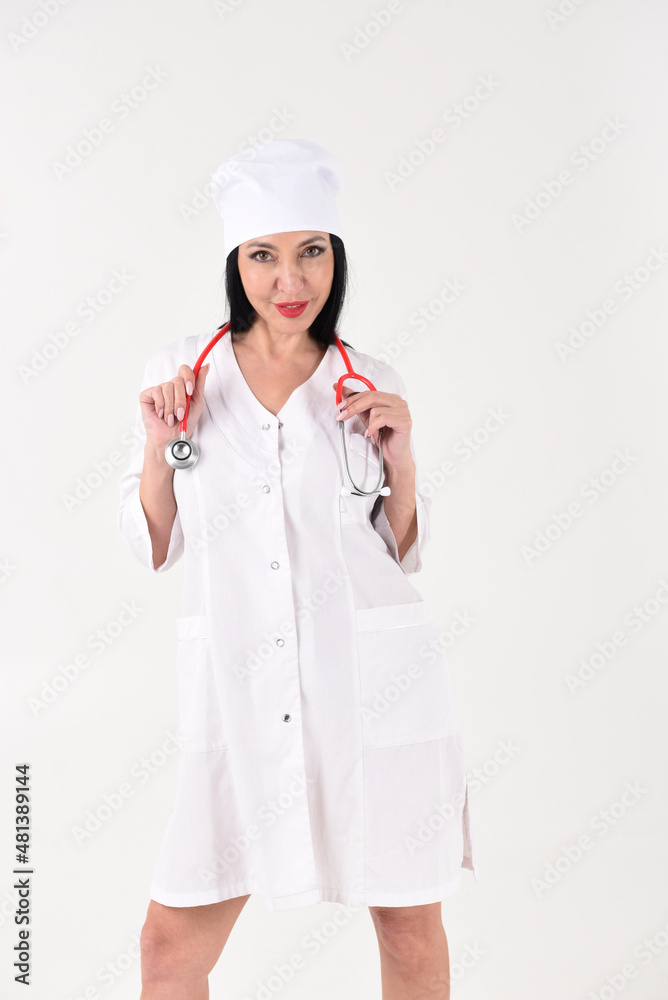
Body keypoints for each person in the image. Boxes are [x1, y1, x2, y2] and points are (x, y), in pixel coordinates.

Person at [117, 139, 477, 1000]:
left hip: (372, 685)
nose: (291, 280)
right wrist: (162, 447)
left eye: (311, 251)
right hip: (239, 688)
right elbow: (151, 544)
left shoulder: (367, 381)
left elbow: (404, 550)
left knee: (408, 928)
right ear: (235, 264)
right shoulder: (181, 377)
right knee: (169, 947)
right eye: (264, 256)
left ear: (335, 257)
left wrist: (406, 459)